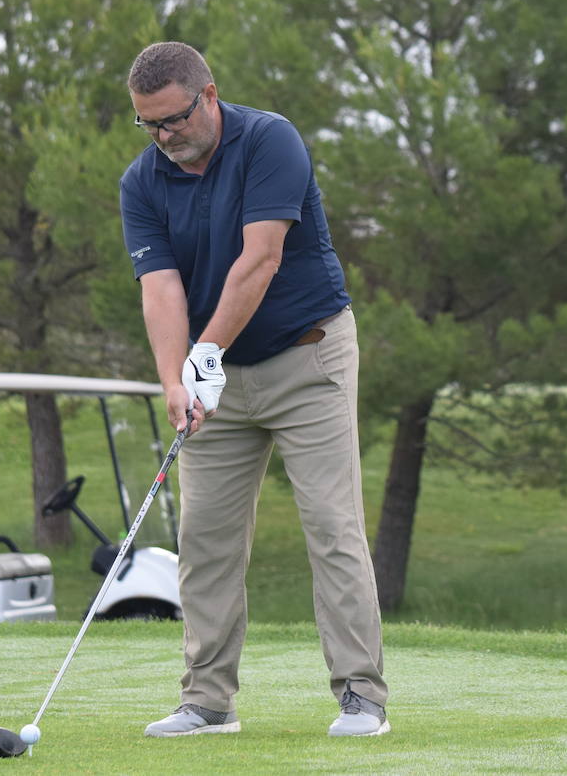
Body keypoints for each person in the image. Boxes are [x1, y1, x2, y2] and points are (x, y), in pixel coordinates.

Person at [118, 41, 389, 738]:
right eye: (148, 125)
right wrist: (175, 378)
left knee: (333, 528)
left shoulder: (270, 140)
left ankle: (361, 696)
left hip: (309, 360)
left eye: (173, 119)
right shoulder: (141, 182)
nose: (163, 137)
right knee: (203, 538)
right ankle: (207, 702)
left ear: (208, 96)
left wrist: (204, 352)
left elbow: (260, 257)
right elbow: (161, 288)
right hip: (218, 385)